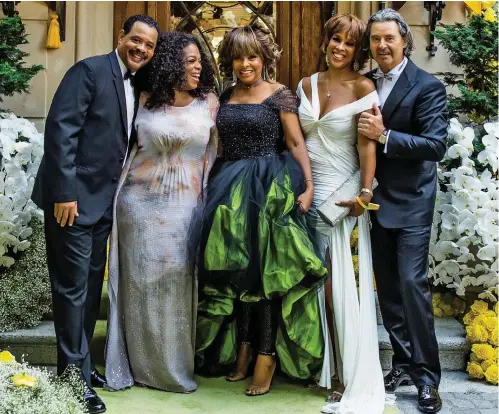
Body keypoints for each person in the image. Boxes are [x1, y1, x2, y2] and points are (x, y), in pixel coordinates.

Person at [31, 15, 159, 413]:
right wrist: (63, 193)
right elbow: (61, 130)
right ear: (121, 36)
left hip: (103, 203)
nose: (141, 49)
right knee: (71, 291)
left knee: (87, 292)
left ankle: (80, 366)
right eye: (135, 40)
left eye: (149, 46)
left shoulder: (137, 84)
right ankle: (72, 380)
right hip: (71, 202)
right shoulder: (88, 70)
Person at [193, 23, 327, 396]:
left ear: (264, 57)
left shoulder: (280, 95)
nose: (245, 63)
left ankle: (266, 355)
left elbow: (296, 142)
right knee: (238, 275)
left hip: (268, 191)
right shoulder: (227, 93)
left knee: (266, 279)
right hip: (228, 192)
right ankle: (244, 349)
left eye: (251, 56)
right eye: (237, 57)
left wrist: (309, 185)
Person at [104, 32, 217, 393]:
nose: (198, 66)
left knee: (176, 285)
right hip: (137, 207)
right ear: (171, 64)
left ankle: (172, 367)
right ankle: (137, 364)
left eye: (200, 60)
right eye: (190, 61)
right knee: (139, 286)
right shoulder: (145, 99)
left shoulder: (210, 102)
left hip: (186, 209)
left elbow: (216, 154)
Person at [358, 9, 448, 414]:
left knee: (412, 285)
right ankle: (403, 364)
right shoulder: (366, 82)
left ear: (404, 40)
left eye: (388, 39)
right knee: (389, 289)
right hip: (375, 201)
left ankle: (428, 378)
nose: (381, 46)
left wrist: (386, 136)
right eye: (375, 39)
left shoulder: (428, 86)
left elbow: (435, 146)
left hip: (412, 200)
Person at [297, 14, 385, 414]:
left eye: (349, 44)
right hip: (304, 195)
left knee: (336, 291)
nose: (340, 48)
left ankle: (344, 373)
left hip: (341, 197)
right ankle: (313, 363)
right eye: (336, 39)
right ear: (326, 41)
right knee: (308, 284)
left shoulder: (363, 87)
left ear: (357, 50)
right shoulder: (305, 84)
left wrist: (364, 193)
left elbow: (368, 145)